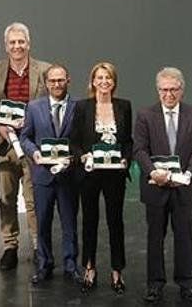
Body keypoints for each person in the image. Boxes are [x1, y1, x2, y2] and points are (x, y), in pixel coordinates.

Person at [0, 22, 51, 270]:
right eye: (12, 42)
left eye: (21, 42)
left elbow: (50, 106)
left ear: (28, 44)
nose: (17, 46)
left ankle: (37, 245)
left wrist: (32, 122)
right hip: (4, 144)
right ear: (6, 45)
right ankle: (10, 246)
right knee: (6, 198)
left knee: (33, 199)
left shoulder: (45, 70)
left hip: (33, 144)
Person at [133, 67, 192, 304]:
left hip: (183, 187)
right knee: (155, 237)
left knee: (184, 237)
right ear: (158, 91)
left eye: (173, 89)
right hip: (156, 187)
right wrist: (153, 171)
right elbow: (139, 149)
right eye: (164, 90)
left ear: (181, 90)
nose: (169, 95)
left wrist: (189, 173)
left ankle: (187, 284)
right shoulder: (145, 115)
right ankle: (155, 285)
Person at [70, 62, 134, 295]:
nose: (104, 82)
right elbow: (73, 141)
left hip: (115, 173)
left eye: (108, 78)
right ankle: (89, 267)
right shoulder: (82, 107)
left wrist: (126, 159)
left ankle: (117, 271)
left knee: (115, 221)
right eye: (100, 77)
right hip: (90, 173)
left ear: (114, 82)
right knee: (89, 220)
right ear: (93, 81)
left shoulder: (124, 106)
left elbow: (128, 141)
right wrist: (83, 155)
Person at [18, 63, 80, 285]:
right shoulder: (34, 108)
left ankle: (71, 265)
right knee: (42, 223)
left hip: (68, 176)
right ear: (46, 83)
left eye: (61, 80)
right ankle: (44, 265)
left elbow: (81, 141)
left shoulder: (78, 107)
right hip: (42, 174)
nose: (56, 84)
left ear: (68, 81)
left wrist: (73, 156)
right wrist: (34, 154)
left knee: (69, 223)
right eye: (52, 80)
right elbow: (24, 137)